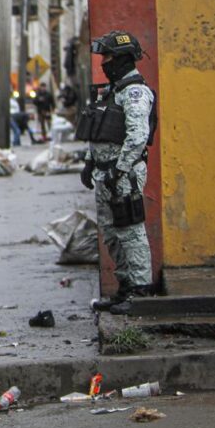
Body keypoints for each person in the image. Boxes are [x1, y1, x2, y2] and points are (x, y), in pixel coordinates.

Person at [77, 31, 157, 315]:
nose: (104, 62)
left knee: (130, 231)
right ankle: (124, 287)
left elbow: (137, 136)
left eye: (108, 57)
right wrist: (90, 162)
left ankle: (140, 290)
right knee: (111, 234)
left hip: (123, 175)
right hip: (105, 174)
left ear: (122, 59)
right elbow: (99, 133)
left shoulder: (135, 93)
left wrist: (119, 169)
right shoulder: (113, 91)